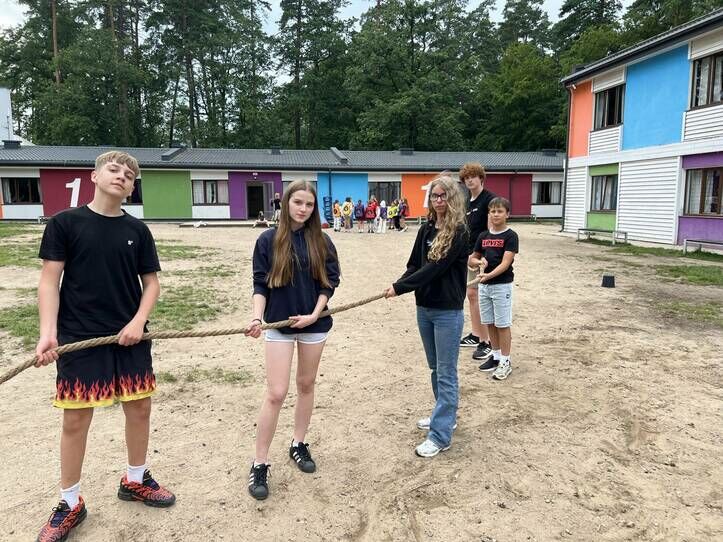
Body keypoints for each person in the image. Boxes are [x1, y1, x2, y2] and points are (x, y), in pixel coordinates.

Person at [34, 151, 175, 542]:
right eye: (114, 169)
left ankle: (135, 480)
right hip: (80, 337)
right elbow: (49, 281)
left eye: (129, 175)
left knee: (140, 408)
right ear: (94, 176)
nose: (121, 176)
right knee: (76, 419)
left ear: (131, 189)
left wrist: (138, 321)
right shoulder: (65, 223)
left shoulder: (138, 231)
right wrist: (48, 332)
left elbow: (151, 284)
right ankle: (70, 503)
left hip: (131, 337)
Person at [245, 180, 341, 500]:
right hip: (279, 324)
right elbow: (260, 284)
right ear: (286, 203)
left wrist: (314, 314)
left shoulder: (323, 241)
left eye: (309, 204)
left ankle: (298, 444)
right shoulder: (267, 240)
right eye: (298, 202)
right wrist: (257, 318)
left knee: (306, 385)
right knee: (276, 393)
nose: (303, 209)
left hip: (315, 324)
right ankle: (260, 462)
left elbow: (329, 284)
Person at [384, 175, 468, 458]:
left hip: (447, 312)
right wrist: (397, 283)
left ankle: (441, 435)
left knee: (446, 372)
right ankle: (444, 416)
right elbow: (415, 265)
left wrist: (401, 288)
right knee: (435, 368)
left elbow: (435, 269)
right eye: (434, 195)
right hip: (425, 308)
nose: (439, 200)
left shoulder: (459, 232)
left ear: (452, 198)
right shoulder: (426, 229)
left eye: (443, 195)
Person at [468, 197, 518, 380]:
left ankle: (506, 360)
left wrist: (488, 276)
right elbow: (471, 259)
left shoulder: (510, 236)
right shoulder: (483, 236)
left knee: (502, 324)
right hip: (484, 287)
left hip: (501, 286)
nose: (496, 215)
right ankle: (496, 356)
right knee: (489, 322)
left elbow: (506, 263)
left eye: (500, 211)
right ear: (488, 214)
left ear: (507, 214)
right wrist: (479, 262)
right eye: (492, 211)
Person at [458, 162, 496, 363]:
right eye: (466, 178)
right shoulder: (467, 202)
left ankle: (486, 342)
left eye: (473, 176)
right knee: (471, 295)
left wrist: (483, 257)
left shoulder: (489, 200)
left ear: (481, 178)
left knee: (481, 297)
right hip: (467, 255)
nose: (469, 180)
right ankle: (475, 334)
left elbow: (491, 232)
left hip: (480, 256)